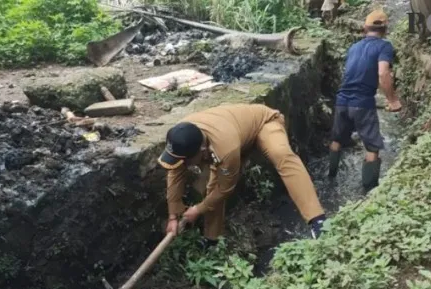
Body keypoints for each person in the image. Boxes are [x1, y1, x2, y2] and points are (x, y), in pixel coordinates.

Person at [158, 104, 328, 245]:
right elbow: (175, 171)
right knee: (210, 189)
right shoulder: (180, 136)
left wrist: (197, 209)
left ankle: (317, 221)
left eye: (188, 161)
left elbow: (224, 189)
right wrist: (173, 215)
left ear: (200, 151)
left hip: (264, 123)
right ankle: (211, 240)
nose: (185, 165)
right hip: (234, 133)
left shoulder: (225, 149)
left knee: (281, 154)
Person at [328, 9, 401, 192]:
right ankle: (368, 193)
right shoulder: (384, 46)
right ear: (385, 29)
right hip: (363, 104)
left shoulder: (353, 47)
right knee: (372, 147)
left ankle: (331, 177)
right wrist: (393, 100)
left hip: (342, 101)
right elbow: (383, 73)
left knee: (337, 139)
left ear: (364, 28)